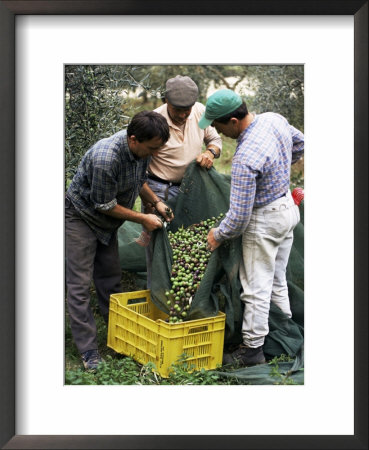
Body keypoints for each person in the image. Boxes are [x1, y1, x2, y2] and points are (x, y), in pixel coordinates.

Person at [199, 89, 304, 367]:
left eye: (218, 125)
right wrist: (281, 168)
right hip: (288, 209)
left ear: (233, 121)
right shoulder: (273, 119)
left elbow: (239, 218)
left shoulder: (245, 157)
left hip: (265, 220)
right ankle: (285, 332)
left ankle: (253, 349)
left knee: (256, 287)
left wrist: (217, 235)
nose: (216, 130)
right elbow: (301, 143)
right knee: (277, 278)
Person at [65, 110, 173, 371]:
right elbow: (104, 204)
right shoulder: (107, 157)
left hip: (107, 224)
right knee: (79, 286)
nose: (155, 153)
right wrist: (143, 219)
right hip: (81, 218)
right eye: (152, 148)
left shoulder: (139, 152)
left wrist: (155, 202)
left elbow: (139, 182)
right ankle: (89, 351)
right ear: (134, 139)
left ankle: (118, 338)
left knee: (111, 280)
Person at [143, 75, 223, 287]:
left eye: (187, 109)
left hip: (192, 190)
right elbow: (140, 164)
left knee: (190, 242)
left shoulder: (199, 111)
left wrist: (210, 153)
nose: (184, 114)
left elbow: (215, 140)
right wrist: (152, 200)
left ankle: (185, 291)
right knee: (158, 246)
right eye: (178, 109)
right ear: (166, 101)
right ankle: (157, 292)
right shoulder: (154, 120)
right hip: (160, 190)